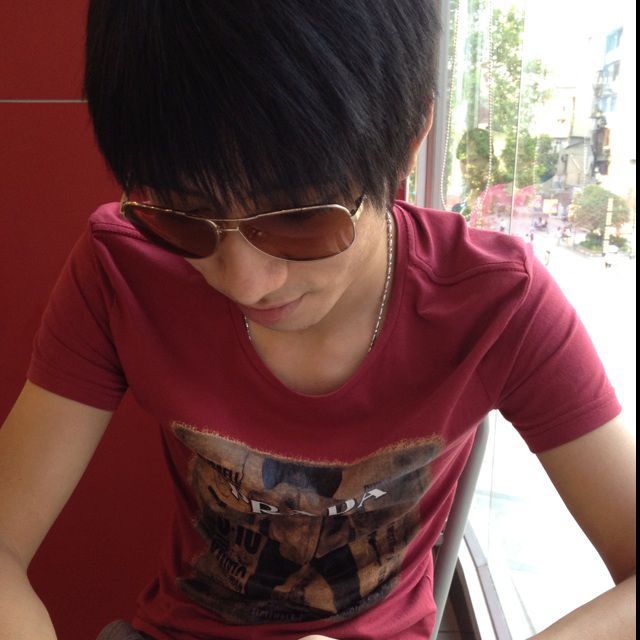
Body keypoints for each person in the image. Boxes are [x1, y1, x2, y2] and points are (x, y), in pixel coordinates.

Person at [0, 2, 635, 639]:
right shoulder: (125, 268)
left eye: (301, 218)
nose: (246, 282)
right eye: (185, 215)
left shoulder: (497, 303)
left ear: (409, 141)